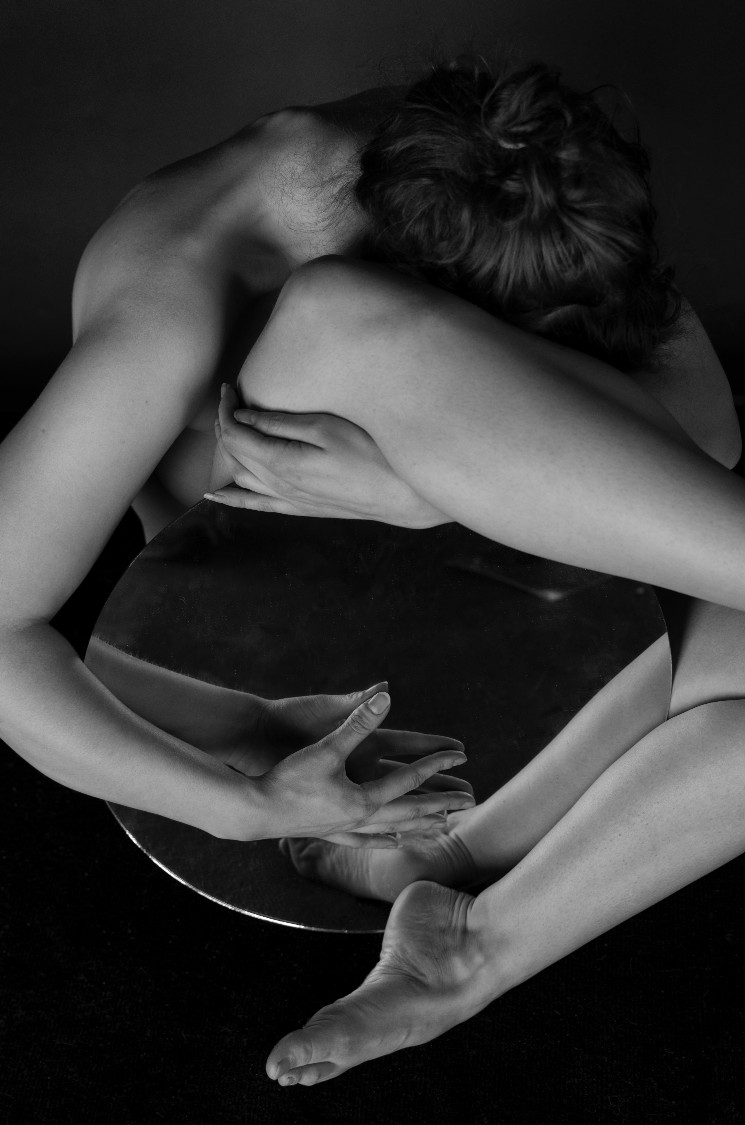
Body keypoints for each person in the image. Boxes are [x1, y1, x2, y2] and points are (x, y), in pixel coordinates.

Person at [1, 53, 742, 1085]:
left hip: (493, 600)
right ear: (427, 284)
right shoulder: (182, 294)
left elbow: (706, 436)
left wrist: (430, 488)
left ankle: (472, 950)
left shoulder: (517, 169)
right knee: (332, 325)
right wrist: (246, 808)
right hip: (287, 660)